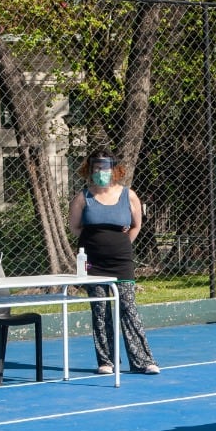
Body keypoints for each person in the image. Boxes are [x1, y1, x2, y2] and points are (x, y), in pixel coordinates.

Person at [67, 148, 160, 375]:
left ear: (114, 170)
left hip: (121, 261)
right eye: (96, 167)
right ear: (90, 170)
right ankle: (107, 361)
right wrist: (95, 242)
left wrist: (121, 243)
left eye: (105, 167)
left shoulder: (129, 195)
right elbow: (75, 227)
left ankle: (143, 361)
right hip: (93, 263)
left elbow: (137, 224)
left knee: (128, 308)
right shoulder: (82, 197)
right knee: (100, 310)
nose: (101, 172)